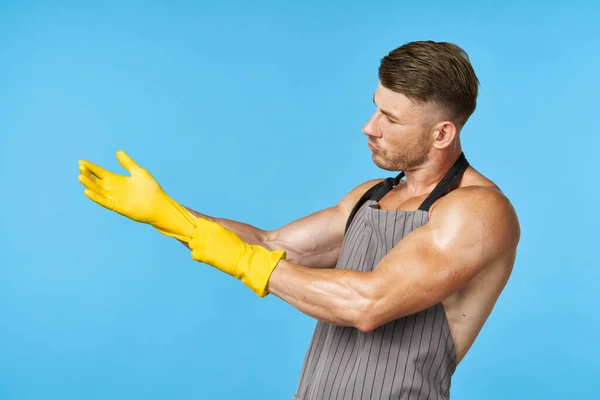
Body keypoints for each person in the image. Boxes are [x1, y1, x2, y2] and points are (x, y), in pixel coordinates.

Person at [77, 40, 520, 400]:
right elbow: (270, 245)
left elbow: (367, 304)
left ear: (442, 133)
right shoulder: (370, 197)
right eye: (374, 108)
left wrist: (246, 264)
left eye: (389, 118)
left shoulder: (476, 210)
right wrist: (170, 215)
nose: (369, 127)